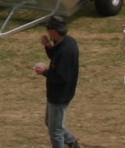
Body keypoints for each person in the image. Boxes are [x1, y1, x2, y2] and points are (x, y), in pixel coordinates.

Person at [35, 14, 81, 148]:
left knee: (55, 132)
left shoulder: (66, 50)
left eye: (48, 29)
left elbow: (61, 77)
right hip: (58, 94)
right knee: (51, 123)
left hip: (59, 95)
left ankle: (71, 142)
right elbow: (56, 57)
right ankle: (72, 142)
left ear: (54, 31)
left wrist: (44, 71)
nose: (47, 32)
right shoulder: (67, 42)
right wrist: (49, 46)